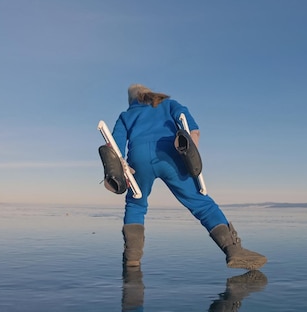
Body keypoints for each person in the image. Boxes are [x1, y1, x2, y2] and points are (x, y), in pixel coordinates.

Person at [110, 84, 267, 270]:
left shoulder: (126, 116)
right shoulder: (168, 104)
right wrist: (191, 156)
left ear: (131, 100)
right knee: (201, 203)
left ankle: (132, 258)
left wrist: (122, 167)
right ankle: (234, 250)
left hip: (138, 158)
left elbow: (115, 145)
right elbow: (192, 129)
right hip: (170, 155)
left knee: (136, 203)